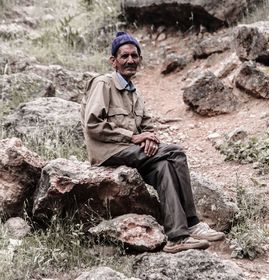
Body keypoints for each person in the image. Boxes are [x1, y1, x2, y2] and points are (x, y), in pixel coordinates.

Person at [80, 31, 225, 253]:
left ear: (139, 59)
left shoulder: (133, 93)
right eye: (124, 56)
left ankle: (177, 236)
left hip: (130, 151)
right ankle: (193, 222)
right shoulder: (103, 84)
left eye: (134, 56)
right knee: (175, 153)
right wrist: (134, 137)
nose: (130, 60)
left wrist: (150, 140)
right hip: (108, 152)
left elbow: (147, 126)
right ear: (113, 61)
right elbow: (92, 124)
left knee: (163, 166)